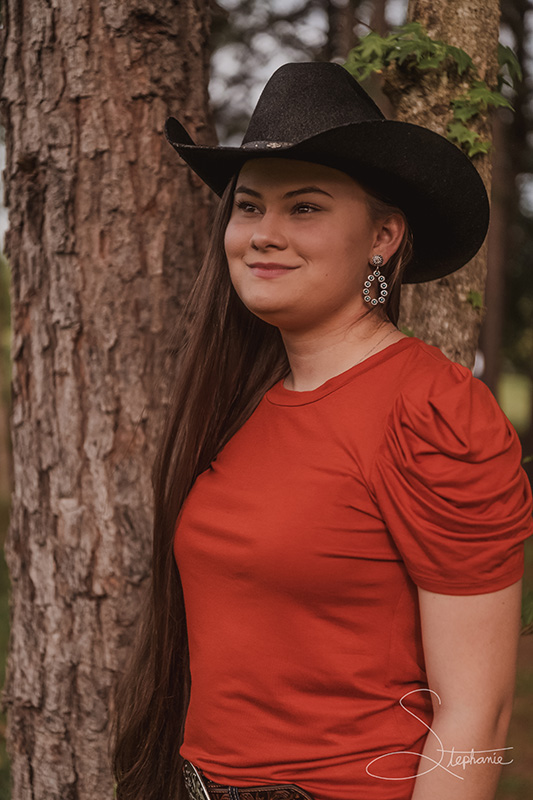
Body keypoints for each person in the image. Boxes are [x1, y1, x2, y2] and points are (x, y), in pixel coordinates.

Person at [112, 62, 533, 800]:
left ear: (381, 236)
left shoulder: (431, 412)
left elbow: (476, 712)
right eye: (248, 208)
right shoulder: (239, 399)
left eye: (303, 208)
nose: (263, 235)